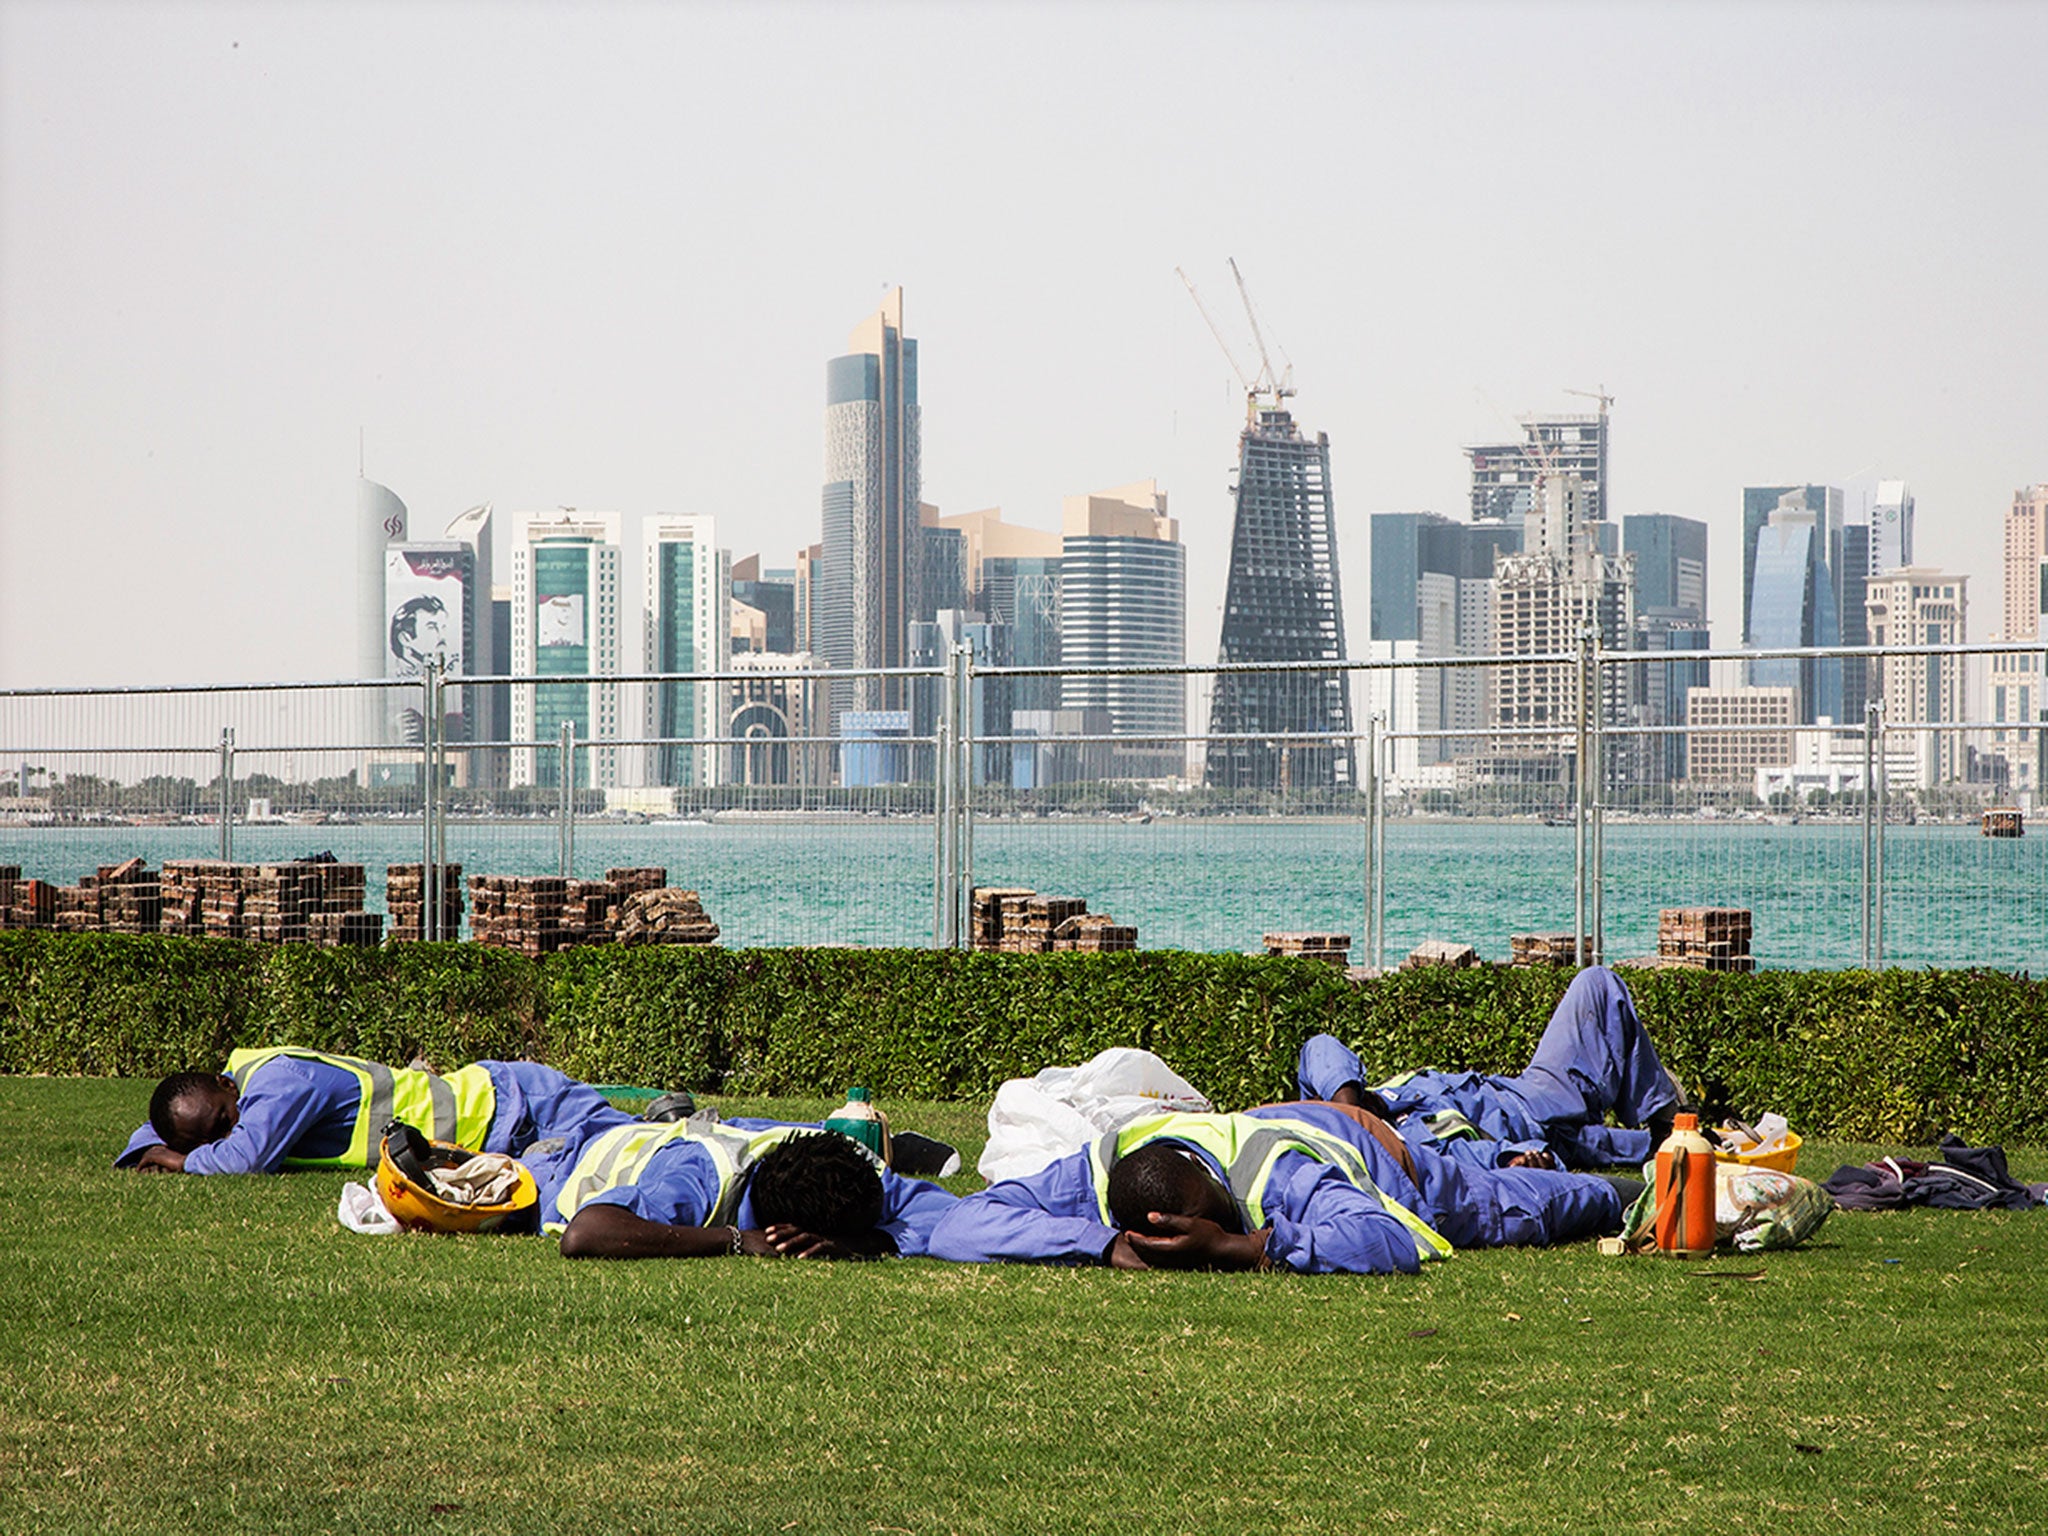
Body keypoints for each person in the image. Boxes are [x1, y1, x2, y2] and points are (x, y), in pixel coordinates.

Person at [926, 1100, 1627, 1275]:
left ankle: (1632, 1180)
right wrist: (1105, 1244)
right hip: (1308, 1119)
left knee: (1581, 1200)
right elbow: (958, 1225)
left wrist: (1235, 1244)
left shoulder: (1276, 1173)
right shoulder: (1104, 1168)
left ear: (1212, 1180)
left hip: (1396, 1165)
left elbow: (1385, 1239)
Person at [1295, 964, 1682, 1170]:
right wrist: (1517, 1158)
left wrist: (1350, 1111)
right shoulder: (1402, 1147)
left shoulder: (1381, 1094)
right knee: (1665, 1150)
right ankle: (1681, 1128)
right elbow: (1466, 1162)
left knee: (1596, 983)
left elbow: (1321, 1047)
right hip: (1552, 1141)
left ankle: (1666, 1111)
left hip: (1536, 1090)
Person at [118, 1048, 634, 1175]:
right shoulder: (234, 1084)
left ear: (226, 1087)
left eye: (225, 1120)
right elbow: (152, 1131)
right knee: (625, 1154)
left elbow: (245, 1159)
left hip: (516, 1104)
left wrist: (181, 1160)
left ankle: (705, 1127)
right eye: (210, 1137)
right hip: (503, 1123)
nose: (233, 1130)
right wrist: (152, 1146)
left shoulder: (279, 1084)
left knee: (643, 1146)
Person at [527, 1113, 958, 1261]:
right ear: (786, 1229)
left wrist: (869, 1242)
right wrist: (734, 1240)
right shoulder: (698, 1184)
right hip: (571, 1160)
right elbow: (585, 1234)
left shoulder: (852, 1172)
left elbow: (949, 1218)